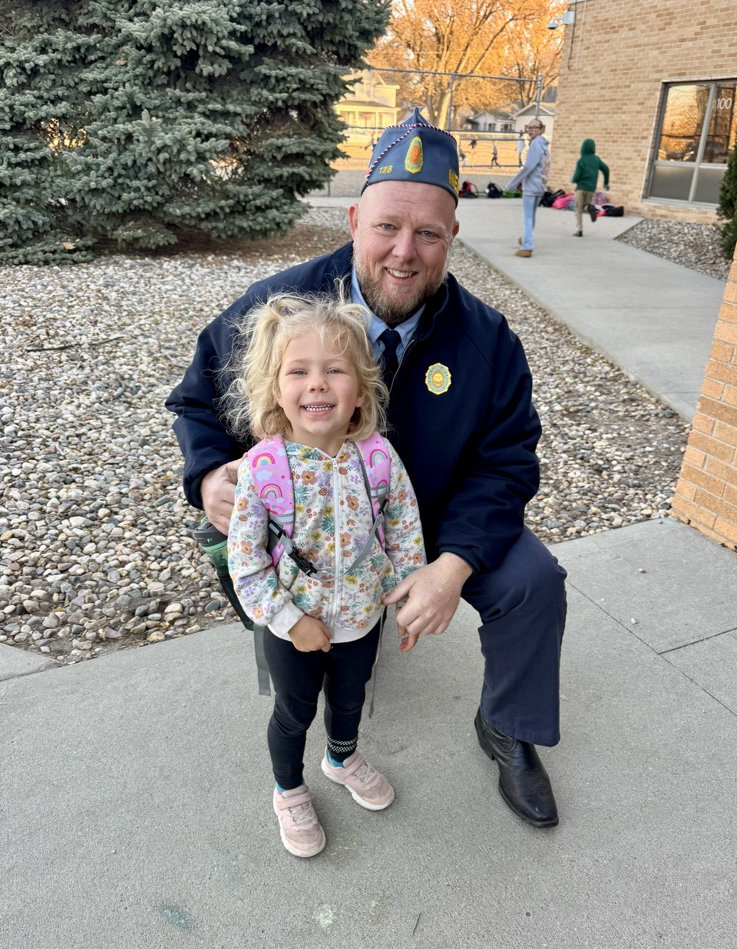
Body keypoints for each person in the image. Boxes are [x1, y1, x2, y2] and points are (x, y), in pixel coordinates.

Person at [166, 108, 567, 832]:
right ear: (354, 219)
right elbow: (195, 400)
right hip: (306, 525)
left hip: (435, 516)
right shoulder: (280, 306)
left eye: (428, 233)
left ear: (453, 237)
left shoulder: (489, 340)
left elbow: (508, 460)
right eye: (386, 226)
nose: (404, 252)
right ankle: (298, 680)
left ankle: (509, 726)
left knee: (535, 583)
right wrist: (207, 476)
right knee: (257, 581)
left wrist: (452, 565)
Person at [223, 291, 426, 857]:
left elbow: (403, 529)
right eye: (299, 371)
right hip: (295, 626)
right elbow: (246, 561)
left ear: (359, 391)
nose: (317, 383)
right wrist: (289, 621)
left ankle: (340, 758)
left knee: (350, 697)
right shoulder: (265, 469)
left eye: (334, 370)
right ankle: (288, 790)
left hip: (361, 615)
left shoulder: (378, 457)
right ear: (277, 391)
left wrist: (408, 598)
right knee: (294, 711)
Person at [505, 119, 550, 258]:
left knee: (528, 217)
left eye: (534, 127)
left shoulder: (536, 145)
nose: (530, 130)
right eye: (528, 127)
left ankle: (527, 246)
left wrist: (511, 184)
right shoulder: (543, 145)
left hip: (532, 186)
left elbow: (529, 167)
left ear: (541, 129)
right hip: (539, 185)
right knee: (532, 215)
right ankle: (526, 238)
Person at [571, 138, 610, 237]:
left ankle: (579, 230)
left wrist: (574, 180)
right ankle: (590, 208)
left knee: (578, 208)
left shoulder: (581, 160)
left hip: (581, 187)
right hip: (591, 189)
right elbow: (606, 169)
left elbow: (577, 174)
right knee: (585, 206)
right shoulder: (596, 159)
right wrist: (606, 183)